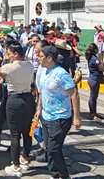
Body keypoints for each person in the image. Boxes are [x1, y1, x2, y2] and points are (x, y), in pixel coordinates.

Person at [35, 45, 80, 179]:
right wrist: (39, 109)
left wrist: (77, 117)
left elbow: (74, 94)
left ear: (49, 58)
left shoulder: (61, 73)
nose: (38, 58)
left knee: (54, 149)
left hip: (60, 118)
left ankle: (65, 176)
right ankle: (55, 174)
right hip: (46, 116)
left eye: (41, 56)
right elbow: (42, 92)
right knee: (49, 149)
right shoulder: (44, 71)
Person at [0, 42, 36, 177]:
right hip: (28, 98)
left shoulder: (8, 67)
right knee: (27, 131)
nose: (7, 55)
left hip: (14, 99)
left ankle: (16, 166)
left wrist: (4, 74)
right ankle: (25, 157)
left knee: (14, 134)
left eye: (8, 52)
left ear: (15, 54)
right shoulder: (30, 65)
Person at [85, 43, 104, 121]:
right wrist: (102, 63)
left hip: (92, 79)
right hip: (95, 80)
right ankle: (92, 113)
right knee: (93, 97)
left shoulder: (90, 57)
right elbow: (102, 69)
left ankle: (94, 112)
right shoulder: (95, 59)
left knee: (94, 97)